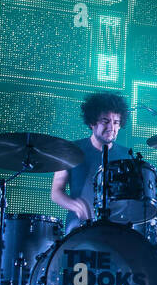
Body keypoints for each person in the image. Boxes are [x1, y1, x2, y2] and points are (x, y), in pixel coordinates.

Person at [50, 92, 131, 231]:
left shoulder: (127, 155)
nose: (112, 127)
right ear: (92, 122)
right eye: (105, 121)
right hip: (78, 226)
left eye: (116, 122)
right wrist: (75, 205)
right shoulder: (70, 150)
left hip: (116, 227)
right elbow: (56, 192)